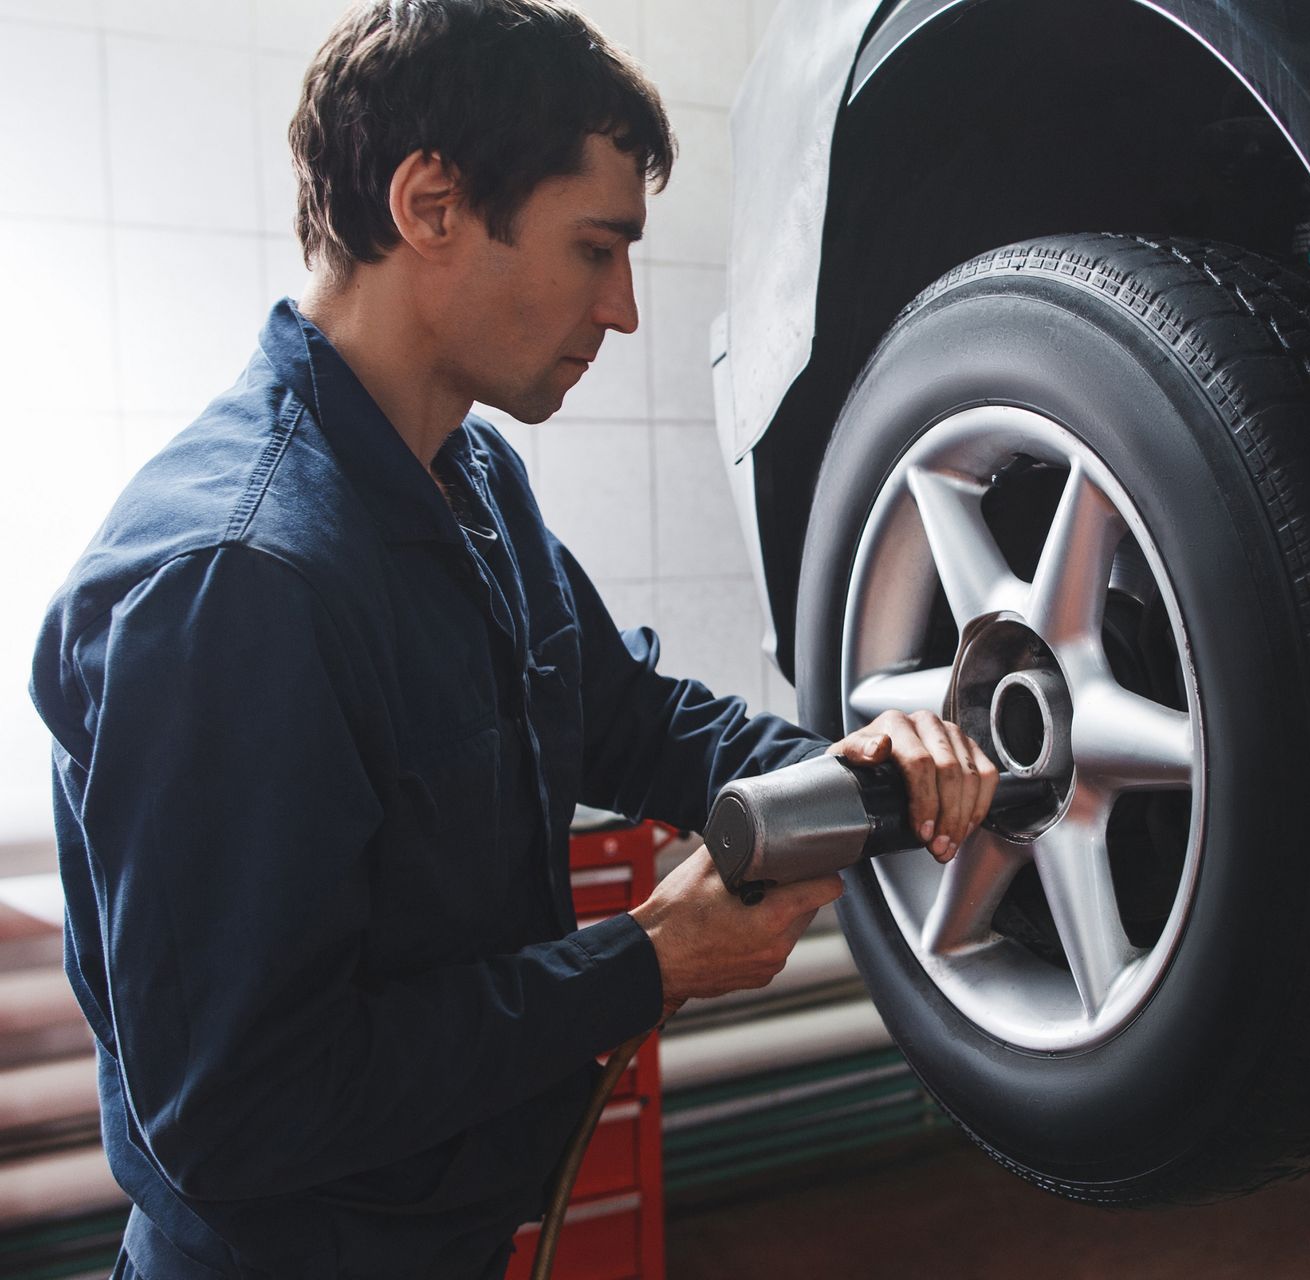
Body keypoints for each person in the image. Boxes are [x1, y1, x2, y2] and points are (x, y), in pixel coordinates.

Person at [27, 4, 998, 1276]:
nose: (628, 308)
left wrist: (860, 764)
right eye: (597, 248)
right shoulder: (233, 585)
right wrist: (642, 961)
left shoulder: (470, 480)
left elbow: (631, 719)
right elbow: (241, 1108)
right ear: (431, 205)